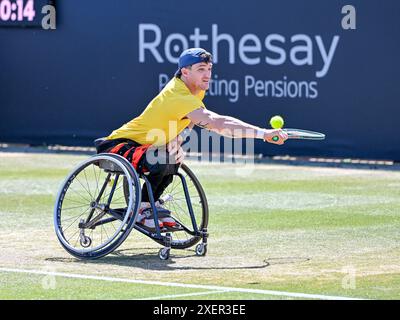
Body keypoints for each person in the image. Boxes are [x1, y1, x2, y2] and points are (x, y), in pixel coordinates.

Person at [95, 48, 288, 231]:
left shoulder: (194, 89)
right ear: (185, 72)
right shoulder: (178, 94)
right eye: (201, 70)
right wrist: (263, 134)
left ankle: (148, 205)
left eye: (209, 69)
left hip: (145, 147)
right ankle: (141, 208)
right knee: (163, 157)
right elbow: (217, 123)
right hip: (118, 147)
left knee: (172, 158)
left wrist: (179, 139)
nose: (207, 75)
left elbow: (189, 121)